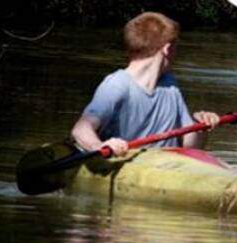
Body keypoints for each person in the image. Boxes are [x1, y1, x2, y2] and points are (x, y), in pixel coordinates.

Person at [71, 12, 220, 157]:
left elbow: (190, 147)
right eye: (176, 47)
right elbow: (80, 130)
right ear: (167, 49)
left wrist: (200, 126)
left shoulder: (170, 85)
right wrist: (99, 146)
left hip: (165, 169)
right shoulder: (117, 84)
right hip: (124, 166)